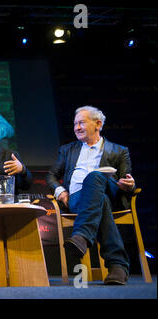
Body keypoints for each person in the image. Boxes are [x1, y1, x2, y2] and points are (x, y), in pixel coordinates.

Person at [46, 106, 135, 285]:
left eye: (81, 123)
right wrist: (61, 191)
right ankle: (117, 266)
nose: (76, 127)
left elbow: (127, 180)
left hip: (110, 193)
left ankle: (82, 236)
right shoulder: (68, 150)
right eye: (75, 124)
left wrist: (130, 185)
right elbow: (52, 176)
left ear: (98, 124)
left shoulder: (119, 150)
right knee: (100, 201)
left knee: (95, 177)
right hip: (78, 198)